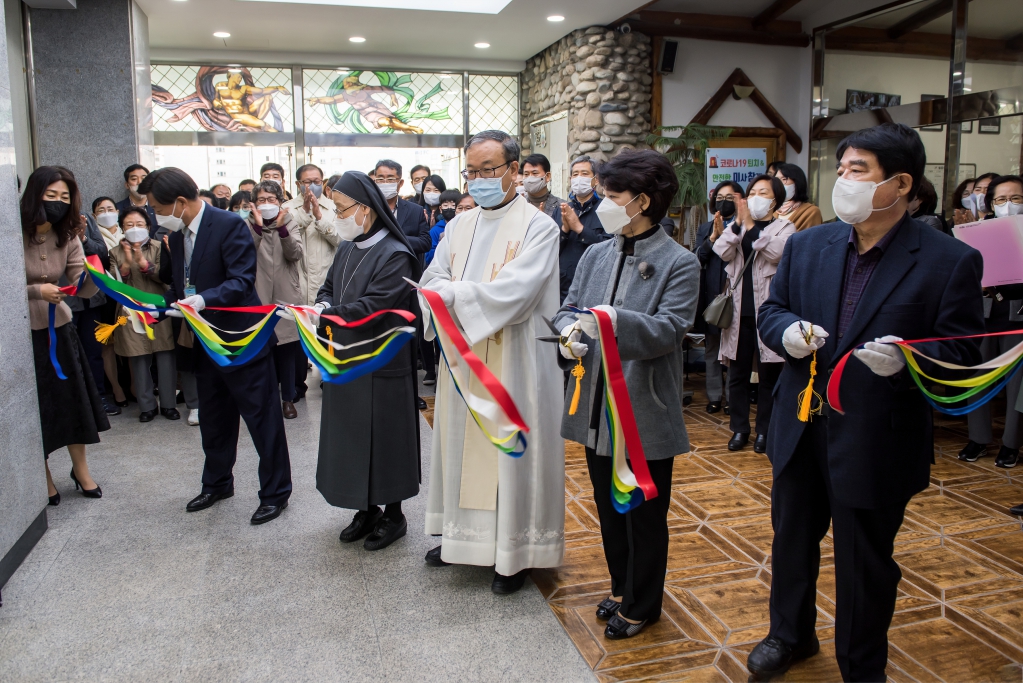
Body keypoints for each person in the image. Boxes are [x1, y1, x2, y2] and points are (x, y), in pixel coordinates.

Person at [752, 123, 984, 682]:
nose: (844, 180)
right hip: (802, 422)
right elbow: (772, 309)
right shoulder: (809, 244)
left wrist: (909, 363)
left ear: (900, 184)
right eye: (844, 167)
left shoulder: (948, 259)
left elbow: (962, 351)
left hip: (878, 434)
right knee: (792, 540)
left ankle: (861, 663)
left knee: (865, 561)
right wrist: (785, 332)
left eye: (859, 170)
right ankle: (789, 635)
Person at [555, 149, 699, 639]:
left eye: (612, 196)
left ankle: (642, 604)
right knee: (608, 503)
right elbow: (570, 304)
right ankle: (621, 585)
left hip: (642, 407)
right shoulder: (599, 251)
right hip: (595, 401)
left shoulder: (680, 262)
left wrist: (610, 322)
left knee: (643, 512)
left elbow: (670, 329)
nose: (603, 204)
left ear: (640, 202)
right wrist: (568, 330)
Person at [419, 129, 564, 594]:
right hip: (462, 356)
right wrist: (438, 292)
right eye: (471, 172)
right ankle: (460, 540)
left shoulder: (539, 227)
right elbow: (435, 272)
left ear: (514, 171)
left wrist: (450, 295)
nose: (478, 180)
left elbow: (515, 294)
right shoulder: (460, 224)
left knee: (508, 454)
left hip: (513, 359)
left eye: (488, 170)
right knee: (459, 446)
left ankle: (513, 554)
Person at [141, 167, 293, 525]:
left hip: (244, 342)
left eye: (157, 208)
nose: (156, 216)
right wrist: (156, 308)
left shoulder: (228, 225)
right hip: (205, 342)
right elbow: (181, 289)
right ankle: (217, 483)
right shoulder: (177, 238)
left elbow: (241, 281)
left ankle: (275, 493)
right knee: (214, 419)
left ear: (179, 202)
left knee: (262, 420)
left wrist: (203, 300)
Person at [314, 171, 422, 551]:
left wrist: (326, 316)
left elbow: (375, 306)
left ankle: (394, 515)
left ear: (365, 209)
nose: (337, 215)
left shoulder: (396, 252)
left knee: (385, 440)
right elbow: (328, 286)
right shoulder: (347, 245)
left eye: (341, 208)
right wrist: (322, 305)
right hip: (346, 357)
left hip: (382, 361)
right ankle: (366, 508)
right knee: (352, 437)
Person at [22, 166, 109, 506]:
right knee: (37, 407)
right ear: (34, 195)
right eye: (51, 196)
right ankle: (41, 473)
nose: (58, 203)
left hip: (60, 328)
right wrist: (35, 290)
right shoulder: (11, 231)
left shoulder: (68, 234)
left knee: (73, 402)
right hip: (23, 336)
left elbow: (80, 283)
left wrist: (92, 275)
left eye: (65, 197)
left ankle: (80, 469)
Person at [713, 174, 795, 453]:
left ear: (775, 199)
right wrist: (738, 225)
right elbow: (721, 251)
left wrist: (751, 228)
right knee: (736, 374)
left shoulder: (786, 227)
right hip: (738, 311)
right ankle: (739, 429)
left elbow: (777, 253)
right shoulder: (736, 225)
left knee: (769, 374)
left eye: (763, 192)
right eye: (753, 192)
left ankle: (764, 430)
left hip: (769, 312)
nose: (756, 197)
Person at [959, 174, 1023, 470]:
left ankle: (1011, 443)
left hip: (1016, 315)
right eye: (1000, 199)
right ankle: (978, 437)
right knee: (978, 376)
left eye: (1015, 199)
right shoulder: (978, 230)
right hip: (983, 313)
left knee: (1016, 385)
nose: (1007, 205)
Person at [110, 207, 179, 422]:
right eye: (129, 225)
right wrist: (128, 261)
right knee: (138, 359)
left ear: (148, 226)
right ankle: (146, 406)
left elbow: (166, 278)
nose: (134, 229)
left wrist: (142, 262)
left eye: (139, 224)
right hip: (130, 311)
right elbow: (114, 283)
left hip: (159, 308)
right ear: (122, 228)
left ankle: (169, 405)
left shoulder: (160, 247)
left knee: (166, 356)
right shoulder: (114, 251)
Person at [374, 159, 432, 411]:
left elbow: (424, 242)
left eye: (390, 178)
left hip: (408, 283)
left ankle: (410, 392)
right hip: (376, 284)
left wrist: (394, 238)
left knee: (409, 339)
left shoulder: (413, 210)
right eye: (380, 178)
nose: (385, 183)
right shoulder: (367, 208)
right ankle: (379, 392)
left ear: (399, 182)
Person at [285, 164, 341, 400]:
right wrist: (305, 214)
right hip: (297, 281)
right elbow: (283, 237)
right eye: (307, 182)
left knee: (328, 334)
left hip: (326, 282)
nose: (312, 186)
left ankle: (330, 380)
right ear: (298, 184)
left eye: (317, 181)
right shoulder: (287, 209)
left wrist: (319, 217)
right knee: (296, 338)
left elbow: (341, 241)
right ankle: (296, 386)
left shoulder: (334, 208)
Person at [249, 180, 305, 419]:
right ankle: (266, 398)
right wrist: (258, 228)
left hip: (285, 293)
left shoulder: (291, 222)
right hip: (258, 293)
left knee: (287, 349)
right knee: (263, 349)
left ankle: (288, 399)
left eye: (271, 200)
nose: (267, 204)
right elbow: (244, 253)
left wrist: (282, 230)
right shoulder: (246, 225)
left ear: (280, 202)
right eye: (262, 200)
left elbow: (296, 254)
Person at [695, 181, 744, 414]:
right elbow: (697, 259)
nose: (724, 201)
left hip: (737, 295)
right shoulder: (705, 228)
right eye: (720, 197)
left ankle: (733, 399)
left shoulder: (745, 226)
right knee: (712, 350)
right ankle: (715, 396)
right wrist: (713, 237)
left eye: (730, 197)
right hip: (714, 298)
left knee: (735, 351)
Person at [66, 195, 115, 417]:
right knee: (67, 352)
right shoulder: (41, 223)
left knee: (94, 350)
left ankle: (100, 397)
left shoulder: (85, 217)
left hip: (91, 297)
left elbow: (102, 253)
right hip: (63, 299)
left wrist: (83, 237)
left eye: (66, 194)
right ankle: (72, 402)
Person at [92, 197, 129, 410]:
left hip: (129, 296)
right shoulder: (94, 237)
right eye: (101, 210)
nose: (106, 213)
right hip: (104, 297)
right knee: (108, 343)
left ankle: (135, 386)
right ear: (95, 215)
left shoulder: (128, 232)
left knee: (131, 339)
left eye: (110, 208)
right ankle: (116, 388)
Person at [559, 155, 611, 302]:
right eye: (575, 174)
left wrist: (580, 228)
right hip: (564, 285)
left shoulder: (606, 209)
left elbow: (610, 246)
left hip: (594, 283)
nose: (579, 178)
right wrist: (565, 230)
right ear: (570, 180)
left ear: (595, 180)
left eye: (584, 173)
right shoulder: (562, 209)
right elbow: (553, 249)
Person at [774, 163, 823, 231]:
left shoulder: (811, 212)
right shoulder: (772, 210)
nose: (779, 183)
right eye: (776, 180)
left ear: (797, 182)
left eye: (784, 179)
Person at [116, 164, 159, 237]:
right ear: (127, 185)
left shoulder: (160, 207)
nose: (140, 182)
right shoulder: (117, 209)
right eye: (134, 179)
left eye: (144, 178)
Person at [521, 153, 563, 220]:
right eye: (526, 174)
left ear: (548, 176)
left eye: (535, 173)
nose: (530, 178)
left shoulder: (562, 207)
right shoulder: (518, 205)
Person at [426, 189, 460, 266]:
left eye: (453, 205)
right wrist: (441, 245)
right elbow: (428, 258)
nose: (449, 208)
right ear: (440, 209)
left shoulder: (464, 227)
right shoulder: (435, 231)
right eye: (445, 205)